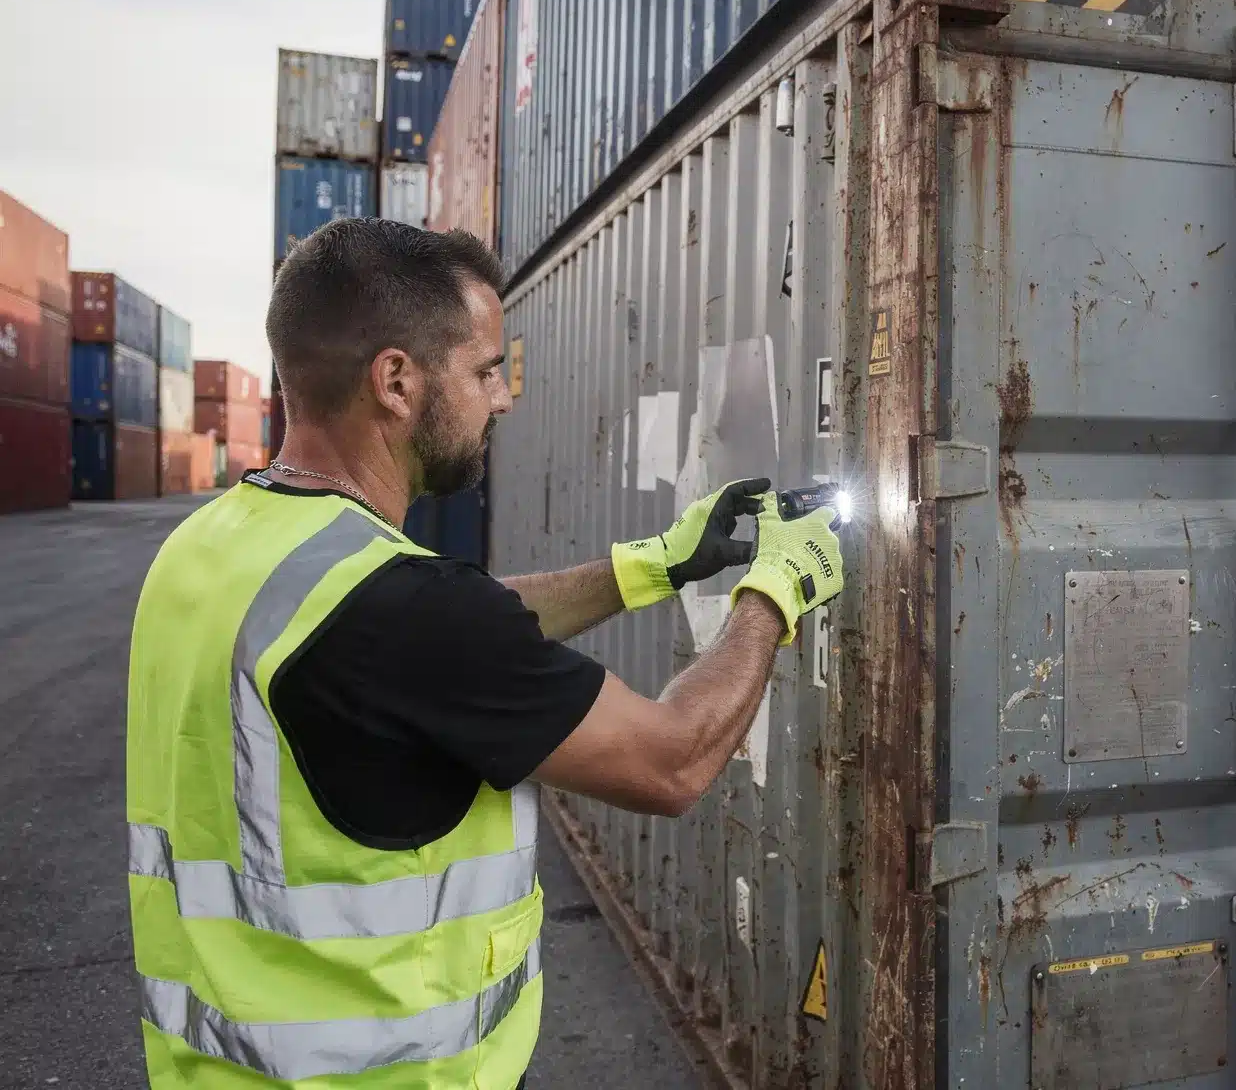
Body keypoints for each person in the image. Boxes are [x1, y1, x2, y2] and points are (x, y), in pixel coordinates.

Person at [123, 218, 843, 1089]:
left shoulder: (212, 547)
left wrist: (651, 568)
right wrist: (773, 593)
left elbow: (447, 639)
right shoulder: (403, 613)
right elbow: (673, 761)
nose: (503, 398)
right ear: (396, 381)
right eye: (485, 370)